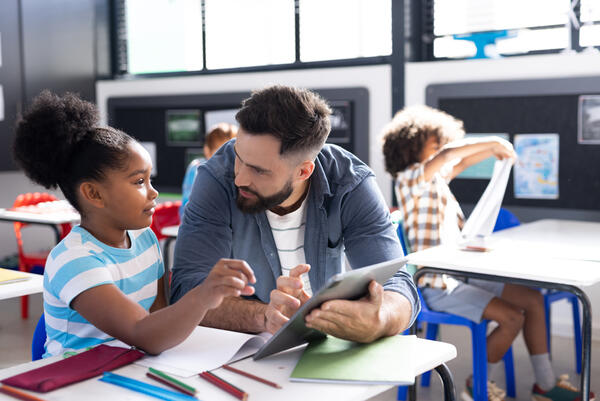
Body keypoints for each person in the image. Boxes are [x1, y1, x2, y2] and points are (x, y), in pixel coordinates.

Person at [13, 91, 256, 358]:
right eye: (139, 181)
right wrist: (202, 296)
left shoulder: (145, 239)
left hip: (128, 371)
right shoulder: (74, 260)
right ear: (94, 194)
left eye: (150, 179)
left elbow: (161, 320)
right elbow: (144, 333)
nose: (154, 193)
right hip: (73, 385)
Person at [171, 85, 419, 343]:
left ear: (303, 172)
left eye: (259, 170)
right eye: (238, 156)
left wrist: (379, 319)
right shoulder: (215, 178)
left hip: (325, 344)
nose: (239, 178)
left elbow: (399, 285)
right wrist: (263, 317)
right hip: (240, 347)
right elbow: (186, 290)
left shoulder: (350, 182)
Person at [382, 105, 593, 401]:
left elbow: (458, 163)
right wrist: (495, 143)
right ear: (409, 147)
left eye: (442, 143)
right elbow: (449, 156)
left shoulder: (436, 182)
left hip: (463, 276)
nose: (442, 149)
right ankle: (475, 385)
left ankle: (544, 384)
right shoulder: (409, 180)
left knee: (532, 300)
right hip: (437, 285)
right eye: (435, 143)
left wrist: (495, 155)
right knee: (511, 318)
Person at [180, 123, 238, 217]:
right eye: (220, 153)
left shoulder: (239, 172)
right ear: (207, 151)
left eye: (231, 153)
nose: (226, 159)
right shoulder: (197, 169)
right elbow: (188, 209)